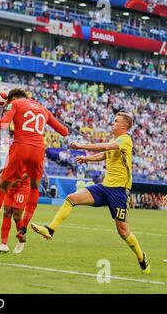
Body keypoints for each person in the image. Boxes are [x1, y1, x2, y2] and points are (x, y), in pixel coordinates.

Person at [31, 112, 150, 274]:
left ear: (124, 126)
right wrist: (87, 159)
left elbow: (106, 147)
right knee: (71, 198)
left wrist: (81, 147)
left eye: (116, 122)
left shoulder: (125, 139)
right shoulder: (116, 141)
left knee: (123, 232)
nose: (112, 124)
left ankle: (141, 256)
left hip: (119, 191)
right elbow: (104, 154)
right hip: (104, 187)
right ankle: (50, 229)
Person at [0, 88, 68, 241]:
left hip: (20, 146)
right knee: (35, 187)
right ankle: (23, 229)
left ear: (13, 98)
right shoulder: (43, 109)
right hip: (38, 150)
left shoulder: (15, 104)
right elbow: (64, 132)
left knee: (3, 186)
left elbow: (3, 125)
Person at [0, 170, 31, 254]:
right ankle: (3, 244)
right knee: (6, 212)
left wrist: (7, 180)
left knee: (16, 215)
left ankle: (21, 240)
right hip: (11, 187)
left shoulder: (29, 158)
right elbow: (10, 166)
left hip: (22, 187)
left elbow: (27, 173)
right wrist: (2, 175)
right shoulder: (13, 156)